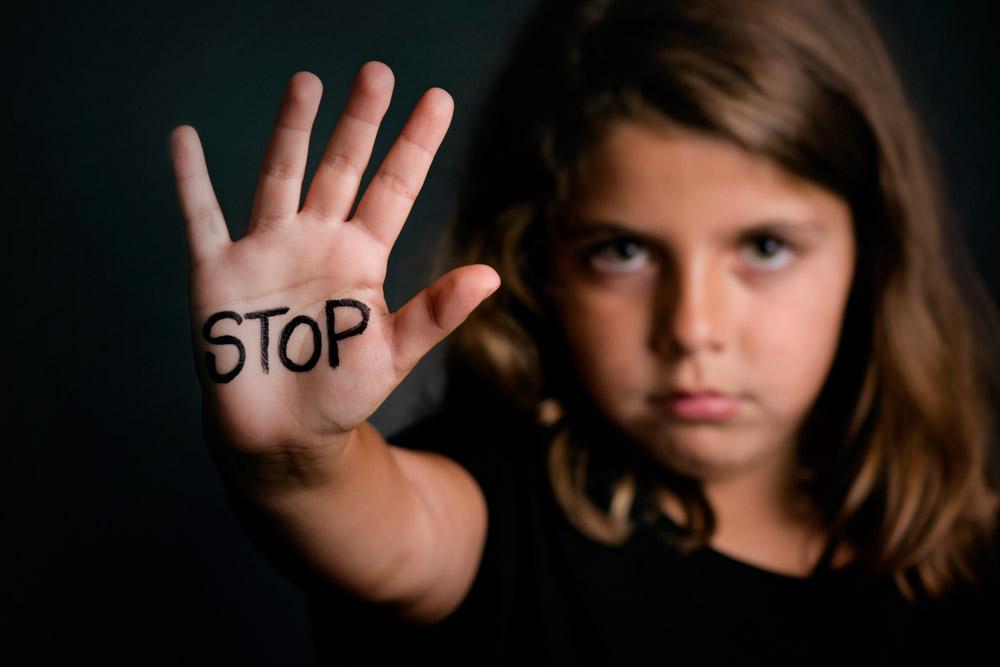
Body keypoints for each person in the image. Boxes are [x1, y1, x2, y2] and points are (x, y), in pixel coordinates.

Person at [169, 0, 1000, 663]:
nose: (693, 329)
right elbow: (389, 526)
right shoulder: (494, 513)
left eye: (765, 247)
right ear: (543, 262)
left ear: (872, 253)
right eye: (623, 251)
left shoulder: (969, 548)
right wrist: (298, 462)